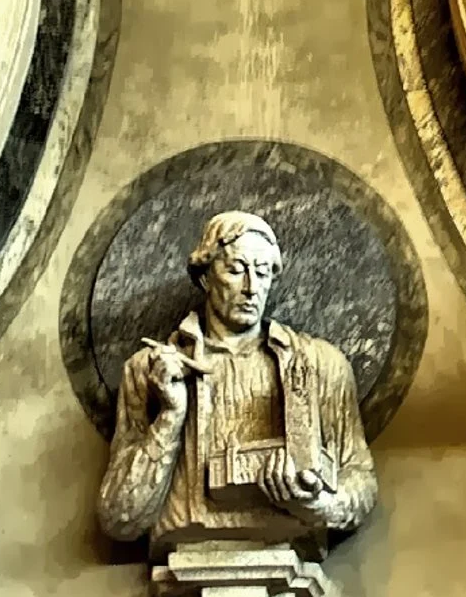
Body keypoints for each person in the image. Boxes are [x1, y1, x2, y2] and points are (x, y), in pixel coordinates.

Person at [97, 209, 375, 554]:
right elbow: (119, 518)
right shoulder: (150, 370)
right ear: (205, 277)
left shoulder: (319, 365)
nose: (251, 288)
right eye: (236, 269)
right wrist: (170, 416)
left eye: (262, 272)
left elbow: (360, 479)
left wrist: (316, 504)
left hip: (288, 548)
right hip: (186, 547)